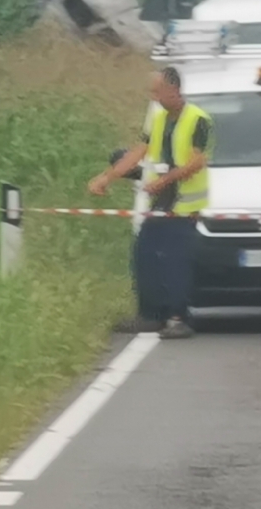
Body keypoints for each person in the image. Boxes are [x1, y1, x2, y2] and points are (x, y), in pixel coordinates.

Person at [89, 67, 213, 340]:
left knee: (176, 262)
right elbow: (139, 151)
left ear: (174, 89)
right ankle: (150, 315)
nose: (153, 96)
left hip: (183, 204)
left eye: (157, 91)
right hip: (162, 201)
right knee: (144, 252)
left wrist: (164, 180)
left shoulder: (198, 120)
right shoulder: (159, 120)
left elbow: (197, 161)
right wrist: (106, 177)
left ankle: (178, 319)